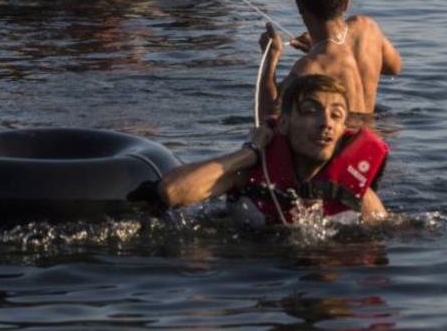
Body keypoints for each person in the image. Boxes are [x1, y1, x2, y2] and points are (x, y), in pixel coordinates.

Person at [158, 74, 389, 226]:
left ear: (342, 130)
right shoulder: (249, 173)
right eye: (310, 111)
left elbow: (388, 233)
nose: (326, 123)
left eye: (336, 115)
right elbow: (172, 192)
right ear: (284, 124)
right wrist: (249, 153)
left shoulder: (351, 191)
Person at [258, 0, 403, 119]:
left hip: (341, 142)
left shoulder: (310, 68)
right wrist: (317, 48)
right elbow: (394, 67)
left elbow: (268, 116)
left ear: (299, 5)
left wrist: (270, 59)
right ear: (346, 3)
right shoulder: (369, 27)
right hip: (372, 138)